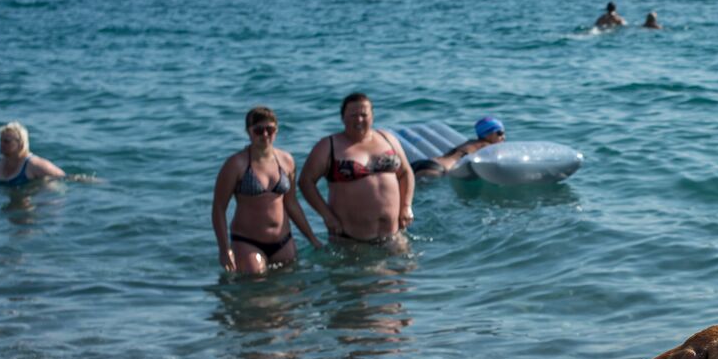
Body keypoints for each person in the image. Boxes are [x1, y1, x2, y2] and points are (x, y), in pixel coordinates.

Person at [211, 106, 324, 274]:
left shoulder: (286, 161)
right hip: (248, 242)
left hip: (283, 241)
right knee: (256, 289)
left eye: (269, 130)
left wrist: (312, 238)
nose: (265, 135)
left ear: (276, 130)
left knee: (292, 293)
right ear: (248, 132)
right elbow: (219, 208)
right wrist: (224, 248)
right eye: (258, 130)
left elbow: (291, 204)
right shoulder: (236, 165)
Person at [300, 93, 414, 244]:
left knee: (409, 267)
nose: (359, 119)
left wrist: (406, 206)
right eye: (353, 115)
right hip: (351, 240)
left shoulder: (388, 139)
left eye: (364, 114)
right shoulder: (328, 146)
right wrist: (327, 216)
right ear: (343, 118)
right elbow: (305, 182)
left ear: (372, 116)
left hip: (393, 234)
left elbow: (406, 173)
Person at [410, 116, 506, 179]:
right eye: (499, 133)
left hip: (425, 163)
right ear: (488, 134)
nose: (503, 137)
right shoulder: (486, 146)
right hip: (437, 169)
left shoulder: (470, 142)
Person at [0, 122, 64, 186]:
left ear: (21, 143)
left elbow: (63, 177)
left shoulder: (33, 164)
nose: (1, 144)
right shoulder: (0, 162)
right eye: (1, 140)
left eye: (7, 141)